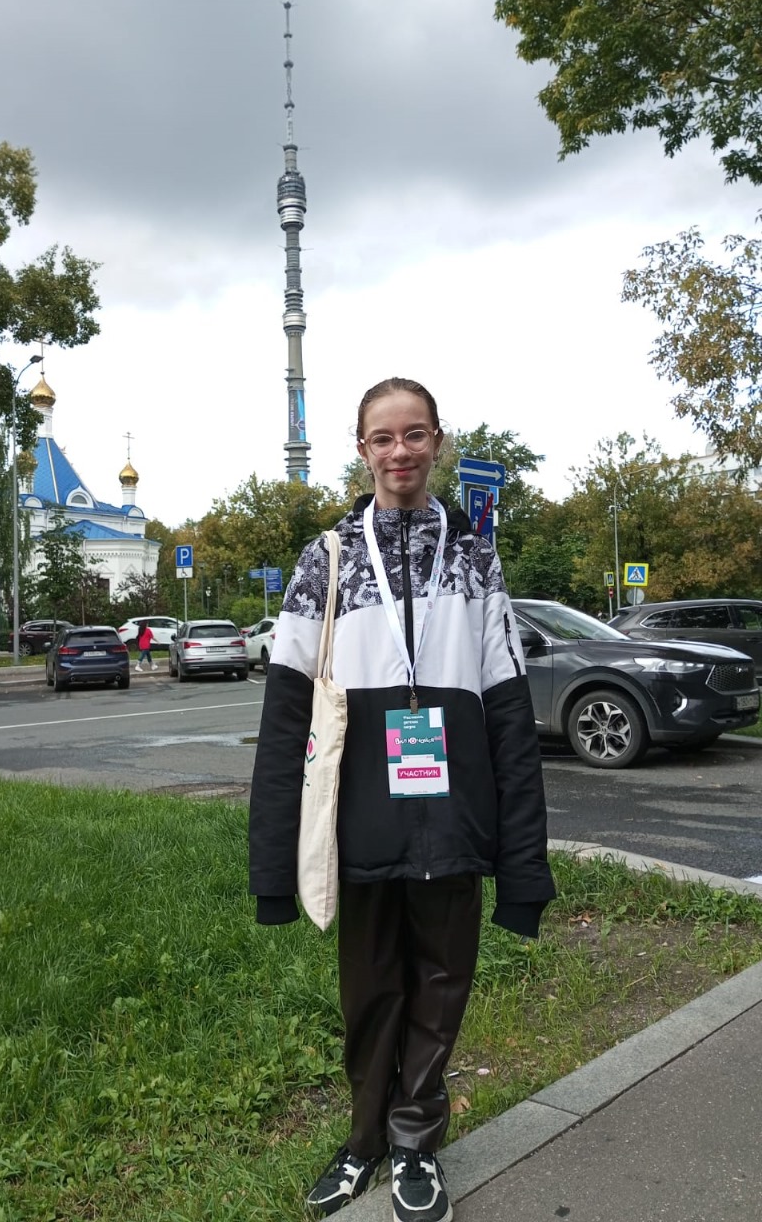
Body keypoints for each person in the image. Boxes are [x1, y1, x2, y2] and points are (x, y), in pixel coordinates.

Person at [248, 378, 555, 1222]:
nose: (400, 452)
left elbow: (508, 711)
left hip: (454, 816)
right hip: (363, 817)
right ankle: (363, 1141)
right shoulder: (327, 559)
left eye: (415, 434)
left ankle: (415, 1139)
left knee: (443, 982)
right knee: (370, 987)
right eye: (383, 438)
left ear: (437, 442)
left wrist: (523, 862)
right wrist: (272, 865)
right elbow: (285, 717)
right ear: (362, 450)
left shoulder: (474, 557)